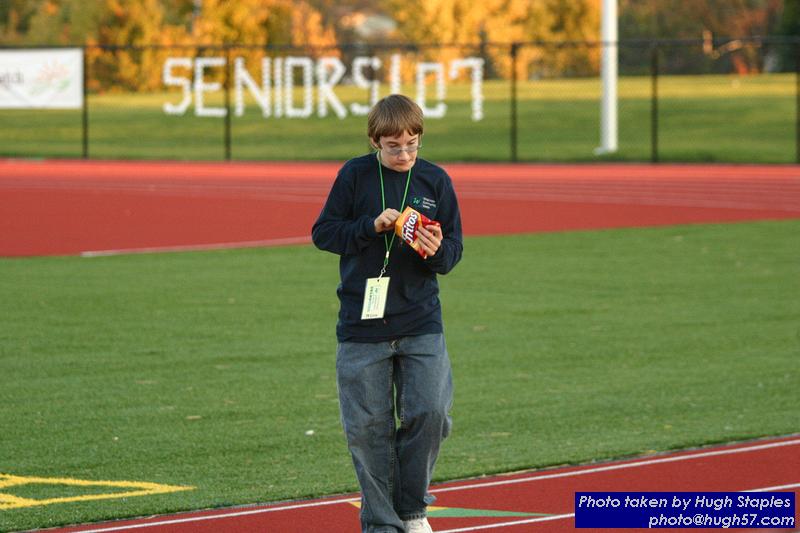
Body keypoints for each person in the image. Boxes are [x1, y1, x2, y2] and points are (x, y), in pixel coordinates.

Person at [311, 94, 463, 533]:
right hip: (362, 324)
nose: (404, 154)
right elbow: (323, 233)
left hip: (420, 319)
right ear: (375, 141)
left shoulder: (435, 180)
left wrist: (437, 250)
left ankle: (411, 511)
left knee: (431, 414)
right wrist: (370, 226)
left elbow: (453, 251)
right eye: (394, 146)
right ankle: (381, 524)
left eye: (412, 144)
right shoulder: (354, 175)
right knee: (367, 431)